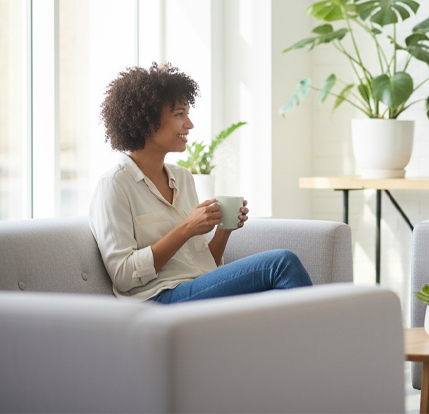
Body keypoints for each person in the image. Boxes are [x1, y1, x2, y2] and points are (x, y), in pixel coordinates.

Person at [89, 62, 312, 304]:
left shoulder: (183, 178)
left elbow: (205, 266)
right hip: (157, 299)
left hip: (195, 289)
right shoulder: (114, 185)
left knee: (275, 298)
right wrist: (186, 228)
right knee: (282, 264)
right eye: (179, 114)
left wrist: (223, 231)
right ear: (148, 120)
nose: (189, 124)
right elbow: (123, 276)